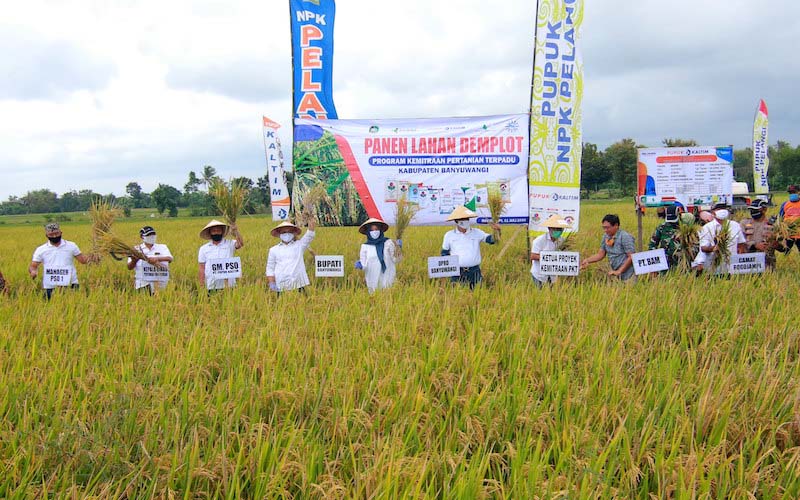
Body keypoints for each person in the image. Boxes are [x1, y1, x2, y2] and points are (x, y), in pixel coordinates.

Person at [440, 205, 501, 289]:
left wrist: (497, 231)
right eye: (462, 219)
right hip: (457, 272)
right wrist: (447, 270)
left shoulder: (477, 232)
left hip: (474, 271)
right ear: (456, 221)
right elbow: (444, 253)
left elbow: (492, 240)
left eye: (467, 218)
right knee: (458, 297)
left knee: (478, 295)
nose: (465, 221)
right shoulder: (449, 235)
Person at [29, 222, 94, 299]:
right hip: (50, 286)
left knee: (73, 307)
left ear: (61, 232)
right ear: (47, 236)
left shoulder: (71, 245)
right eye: (51, 235)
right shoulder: (41, 249)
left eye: (57, 233)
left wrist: (94, 257)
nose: (55, 236)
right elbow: (33, 266)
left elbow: (83, 260)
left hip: (71, 284)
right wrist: (33, 271)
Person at [266, 219, 315, 293]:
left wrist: (311, 226)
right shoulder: (273, 250)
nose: (287, 234)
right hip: (281, 285)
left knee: (302, 303)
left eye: (289, 232)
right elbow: (270, 268)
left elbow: (309, 236)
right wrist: (272, 283)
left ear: (293, 233)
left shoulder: (299, 245)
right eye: (284, 232)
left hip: (299, 284)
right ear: (279, 234)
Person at [580, 214, 636, 280]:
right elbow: (600, 254)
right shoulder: (606, 237)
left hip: (629, 274)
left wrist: (619, 271)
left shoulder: (625, 236)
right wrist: (587, 260)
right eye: (604, 228)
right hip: (616, 273)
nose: (605, 230)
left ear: (616, 226)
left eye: (607, 227)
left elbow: (631, 256)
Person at [692, 207, 746, 273]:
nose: (722, 211)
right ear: (713, 213)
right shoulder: (707, 228)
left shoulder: (735, 225)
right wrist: (714, 248)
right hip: (715, 265)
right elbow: (703, 248)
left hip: (732, 265)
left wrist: (740, 261)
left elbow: (741, 244)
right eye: (718, 209)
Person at [355, 217, 400, 293]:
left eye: (376, 229)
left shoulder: (388, 243)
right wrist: (361, 265)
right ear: (368, 232)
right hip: (373, 276)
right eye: (372, 230)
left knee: (388, 294)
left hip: (387, 274)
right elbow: (364, 263)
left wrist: (398, 249)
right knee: (375, 296)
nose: (374, 232)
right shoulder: (365, 246)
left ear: (381, 230)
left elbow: (396, 259)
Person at [197, 219, 244, 292]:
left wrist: (236, 231)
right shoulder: (204, 249)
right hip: (211, 284)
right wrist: (201, 285)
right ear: (210, 233)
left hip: (229, 284)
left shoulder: (229, 243)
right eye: (214, 231)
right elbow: (201, 268)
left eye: (218, 230)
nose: (216, 233)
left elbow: (240, 244)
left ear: (222, 232)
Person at [126, 225, 174, 294]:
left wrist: (157, 259)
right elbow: (129, 267)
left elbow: (170, 258)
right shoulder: (136, 249)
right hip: (143, 284)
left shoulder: (162, 247)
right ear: (142, 237)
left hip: (160, 283)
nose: (152, 237)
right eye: (148, 235)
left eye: (153, 234)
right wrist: (135, 260)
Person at [530, 214, 570, 287]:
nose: (558, 231)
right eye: (555, 229)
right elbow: (533, 256)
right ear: (549, 228)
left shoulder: (562, 241)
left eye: (560, 229)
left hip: (553, 275)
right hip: (539, 276)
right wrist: (551, 258)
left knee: (550, 296)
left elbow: (566, 256)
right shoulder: (539, 240)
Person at [740, 199, 775, 269]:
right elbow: (740, 242)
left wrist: (775, 243)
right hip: (748, 262)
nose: (753, 212)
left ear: (764, 210)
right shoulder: (744, 223)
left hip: (767, 263)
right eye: (751, 210)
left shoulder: (773, 225)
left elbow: (783, 247)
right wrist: (755, 245)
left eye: (756, 209)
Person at [648, 205, 681, 269]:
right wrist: (653, 265)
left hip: (680, 262)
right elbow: (652, 245)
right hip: (664, 261)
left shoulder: (684, 228)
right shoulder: (661, 228)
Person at [779, 184, 800, 253]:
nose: (792, 194)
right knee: (786, 252)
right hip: (788, 234)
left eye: (794, 192)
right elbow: (780, 218)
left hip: (799, 234)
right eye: (790, 193)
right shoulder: (785, 204)